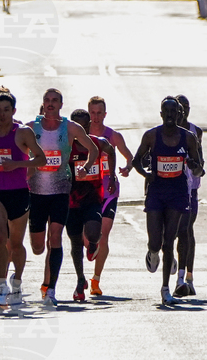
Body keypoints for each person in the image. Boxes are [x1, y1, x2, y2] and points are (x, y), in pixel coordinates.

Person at [28, 89, 98, 306]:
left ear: (60, 104)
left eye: (54, 101)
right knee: (38, 247)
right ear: (43, 103)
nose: (50, 104)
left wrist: (86, 167)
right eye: (46, 100)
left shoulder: (70, 127)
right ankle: (47, 283)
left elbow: (93, 149)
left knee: (55, 237)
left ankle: (51, 290)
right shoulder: (31, 127)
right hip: (36, 192)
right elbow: (16, 146)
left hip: (60, 190)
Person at [132, 97, 204, 306]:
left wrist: (192, 165)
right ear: (161, 114)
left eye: (175, 112)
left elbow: (200, 169)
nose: (171, 115)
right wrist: (147, 174)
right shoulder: (151, 136)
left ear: (180, 114)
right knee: (155, 241)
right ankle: (153, 253)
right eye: (167, 111)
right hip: (156, 191)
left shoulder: (189, 138)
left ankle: (165, 289)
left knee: (169, 240)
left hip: (178, 192)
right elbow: (137, 161)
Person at [0, 88, 45, 307]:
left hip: (19, 192)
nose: (3, 114)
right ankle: (1, 285)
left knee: (15, 243)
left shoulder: (23, 132)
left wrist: (18, 164)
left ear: (13, 110)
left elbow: (41, 159)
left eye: (7, 110)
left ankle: (16, 281)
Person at [66, 109, 115, 302]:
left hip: (93, 197)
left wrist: (111, 175)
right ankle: (80, 281)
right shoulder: (65, 146)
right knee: (75, 242)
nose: (80, 129)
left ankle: (93, 244)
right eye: (76, 125)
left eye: (84, 126)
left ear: (88, 126)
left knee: (94, 232)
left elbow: (111, 150)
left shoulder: (97, 142)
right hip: (70, 200)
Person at [87, 96, 132, 296]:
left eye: (99, 113)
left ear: (105, 115)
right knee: (87, 236)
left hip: (108, 191)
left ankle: (96, 280)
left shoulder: (113, 136)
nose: (96, 117)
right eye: (92, 113)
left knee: (104, 234)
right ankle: (91, 244)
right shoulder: (81, 134)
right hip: (86, 191)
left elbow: (129, 156)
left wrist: (127, 168)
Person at [174, 95, 203, 298]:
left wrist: (196, 167)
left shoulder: (195, 132)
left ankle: (187, 278)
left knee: (186, 230)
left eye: (186, 107)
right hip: (169, 189)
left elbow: (200, 160)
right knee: (171, 232)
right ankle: (171, 256)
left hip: (190, 189)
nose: (183, 112)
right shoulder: (163, 132)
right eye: (179, 108)